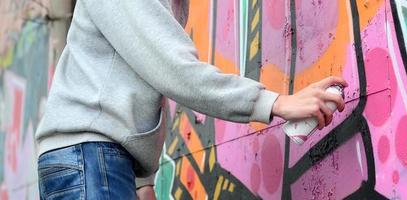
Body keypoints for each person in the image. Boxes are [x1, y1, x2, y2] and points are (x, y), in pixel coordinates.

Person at [35, 0, 347, 199]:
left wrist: (144, 181)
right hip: (90, 157)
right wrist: (276, 103)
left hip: (98, 159)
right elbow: (175, 71)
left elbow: (145, 81)